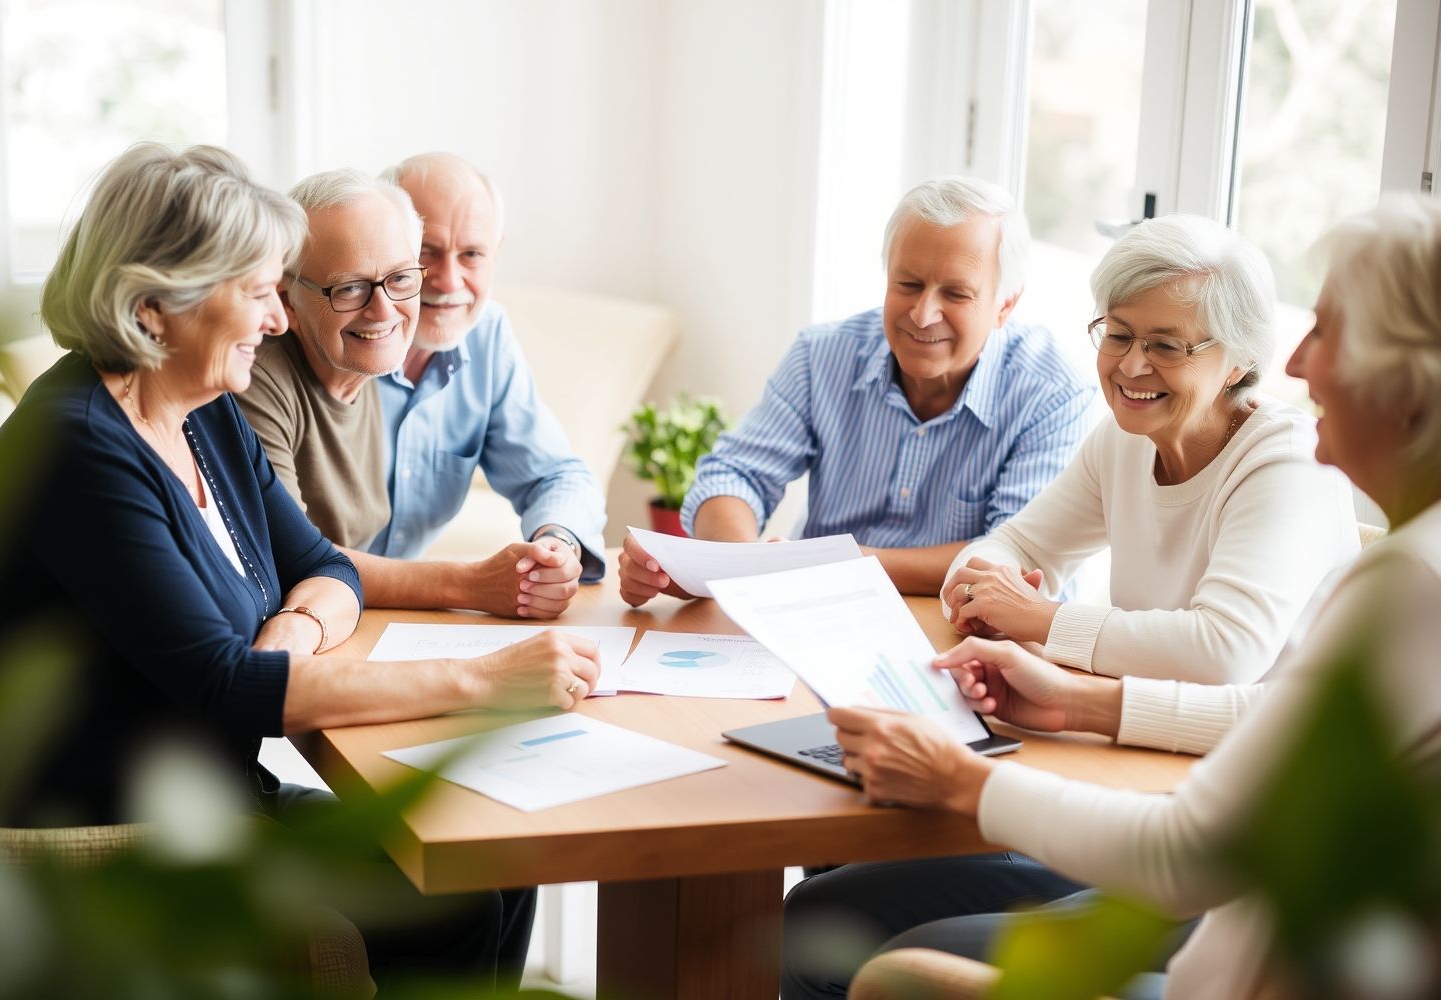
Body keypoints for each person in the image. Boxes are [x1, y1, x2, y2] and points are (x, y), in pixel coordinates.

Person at [0, 144, 600, 993]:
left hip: (207, 790)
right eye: (257, 292)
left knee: (483, 861)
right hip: (93, 835)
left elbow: (326, 567)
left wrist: (294, 627)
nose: (278, 321)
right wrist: (486, 682)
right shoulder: (80, 447)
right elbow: (231, 687)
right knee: (453, 898)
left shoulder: (199, 410)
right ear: (154, 309)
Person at [817, 194, 1441, 1000]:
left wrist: (966, 772)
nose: (1300, 363)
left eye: (1328, 331)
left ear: (1409, 379)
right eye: (1118, 334)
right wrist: (1079, 702)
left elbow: (1192, 829)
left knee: (861, 953)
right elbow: (1276, 717)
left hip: (1219, 914)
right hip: (1197, 848)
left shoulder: (1406, 576)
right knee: (829, 909)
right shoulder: (1408, 564)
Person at [618, 176, 1096, 605]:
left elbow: (1013, 557)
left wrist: (834, 566)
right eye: (907, 284)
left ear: (1004, 305)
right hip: (816, 611)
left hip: (963, 627)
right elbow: (733, 476)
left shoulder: (1053, 392)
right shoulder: (821, 355)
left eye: (955, 294)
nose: (923, 314)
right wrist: (733, 566)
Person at [940, 214, 1359, 682]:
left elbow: (1224, 652)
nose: (1132, 365)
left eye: (1166, 346)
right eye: (1118, 335)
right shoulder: (1126, 438)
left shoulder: (1288, 463)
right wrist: (976, 593)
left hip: (1278, 747)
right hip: (1148, 728)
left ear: (1240, 361)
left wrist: (1038, 615)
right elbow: (1017, 543)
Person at [237, 161, 601, 620]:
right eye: (429, 254)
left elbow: (556, 474)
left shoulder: (392, 346)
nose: (447, 283)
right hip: (308, 613)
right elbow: (295, 557)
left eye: (472, 254)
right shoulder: (332, 352)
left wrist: (554, 549)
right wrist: (470, 584)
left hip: (359, 614)